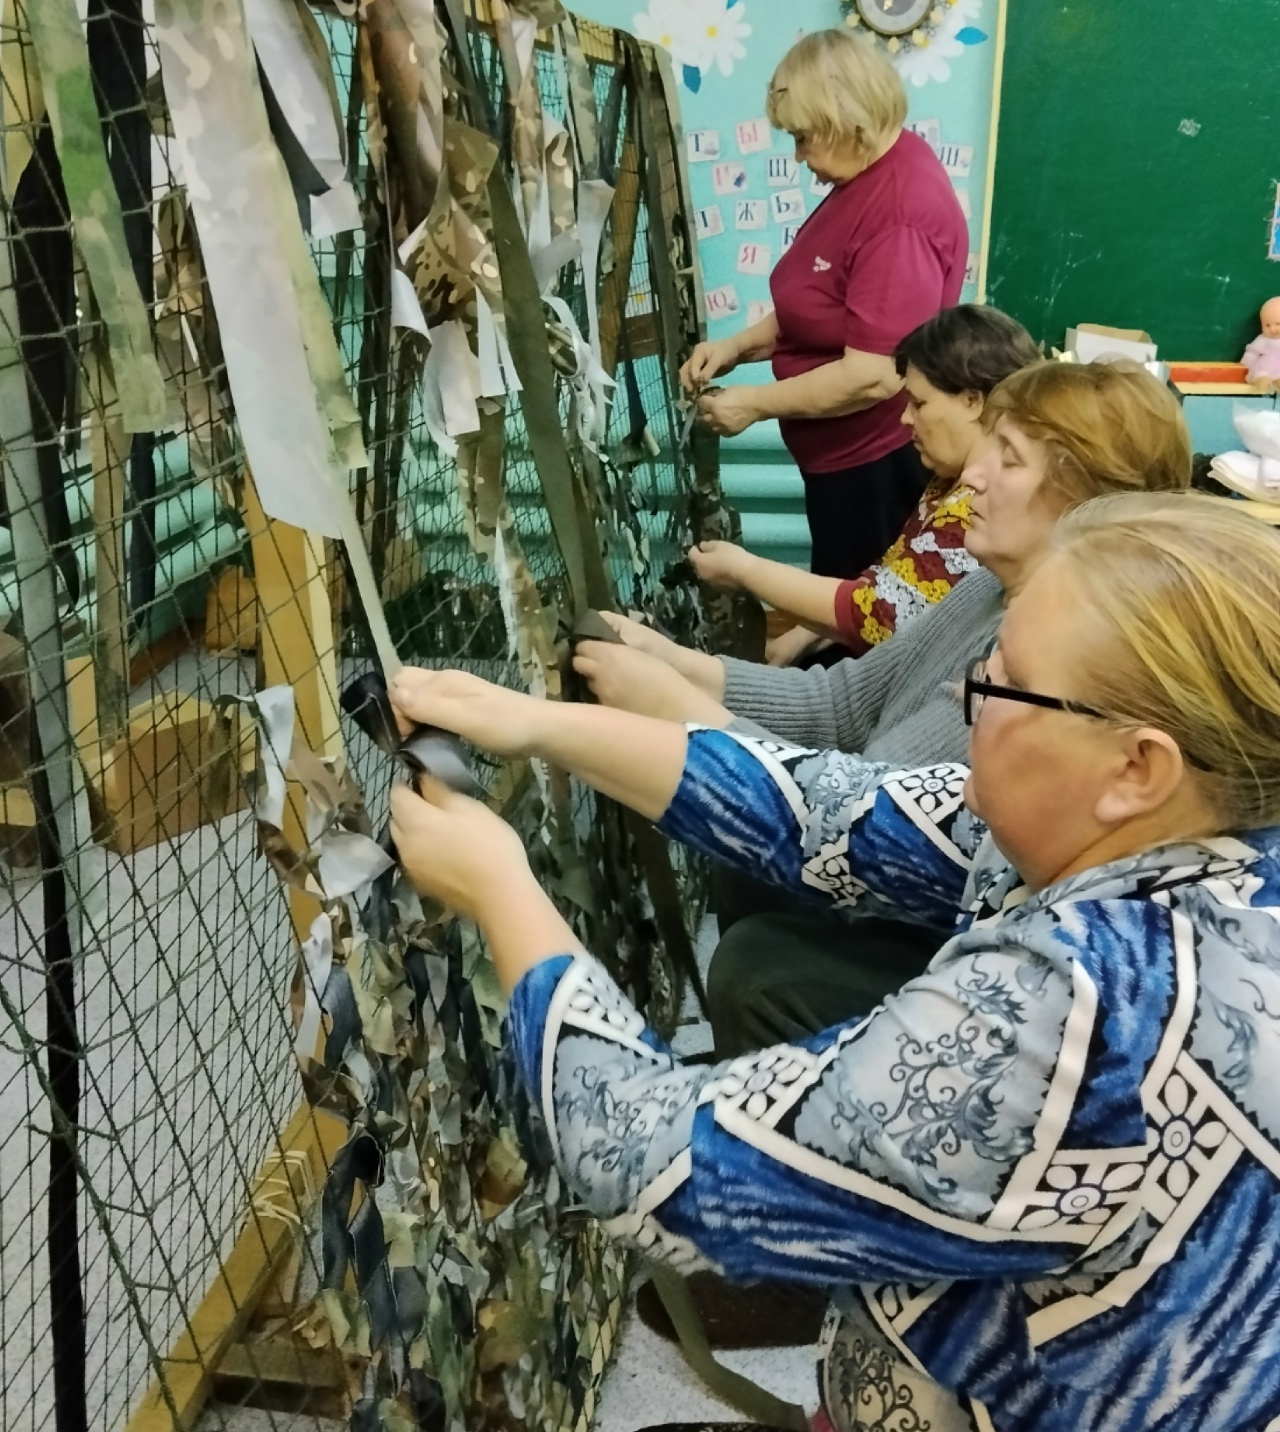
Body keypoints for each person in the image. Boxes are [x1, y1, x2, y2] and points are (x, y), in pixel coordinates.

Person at [386, 490, 1280, 1432]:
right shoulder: (1211, 843)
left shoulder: (1087, 1016)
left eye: (1005, 684)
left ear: (1138, 767)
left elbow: (649, 1159)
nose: (966, 694)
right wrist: (531, 723)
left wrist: (501, 888)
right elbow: (822, 807)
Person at [579, 359, 1192, 1054]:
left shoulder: (1043, 660)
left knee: (757, 970)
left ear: (1085, 497)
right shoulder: (987, 583)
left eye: (1008, 458)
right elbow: (841, 702)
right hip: (898, 853)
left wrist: (674, 710)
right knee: (743, 868)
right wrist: (670, 661)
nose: (972, 477)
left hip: (966, 920)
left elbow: (874, 806)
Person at [680, 29, 968, 594]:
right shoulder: (873, 168)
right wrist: (736, 347)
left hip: (873, 466)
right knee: (841, 601)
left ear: (846, 122)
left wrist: (754, 405)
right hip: (840, 460)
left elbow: (873, 374)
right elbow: (821, 304)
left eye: (803, 137)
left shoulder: (900, 213)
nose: (798, 156)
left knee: (863, 612)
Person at [687, 305, 1040, 665]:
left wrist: (743, 570)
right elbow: (894, 576)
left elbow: (880, 615)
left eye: (919, 403)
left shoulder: (978, 510)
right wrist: (805, 634)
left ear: (973, 401)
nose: (905, 418)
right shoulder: (947, 482)